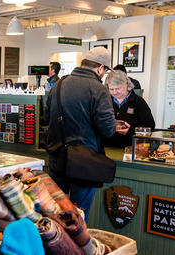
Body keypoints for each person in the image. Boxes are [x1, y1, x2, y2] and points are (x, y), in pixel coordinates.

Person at [45, 47, 128, 222]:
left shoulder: (58, 85)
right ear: (100, 68)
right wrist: (114, 126)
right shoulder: (98, 89)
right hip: (83, 162)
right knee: (78, 219)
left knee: (53, 216)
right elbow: (106, 130)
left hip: (56, 159)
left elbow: (47, 118)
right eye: (105, 71)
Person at [105, 70, 155, 148]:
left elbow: (150, 126)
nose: (114, 92)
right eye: (111, 89)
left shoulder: (139, 102)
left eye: (118, 88)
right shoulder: (105, 101)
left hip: (131, 149)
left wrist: (130, 130)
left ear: (126, 84)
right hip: (107, 148)